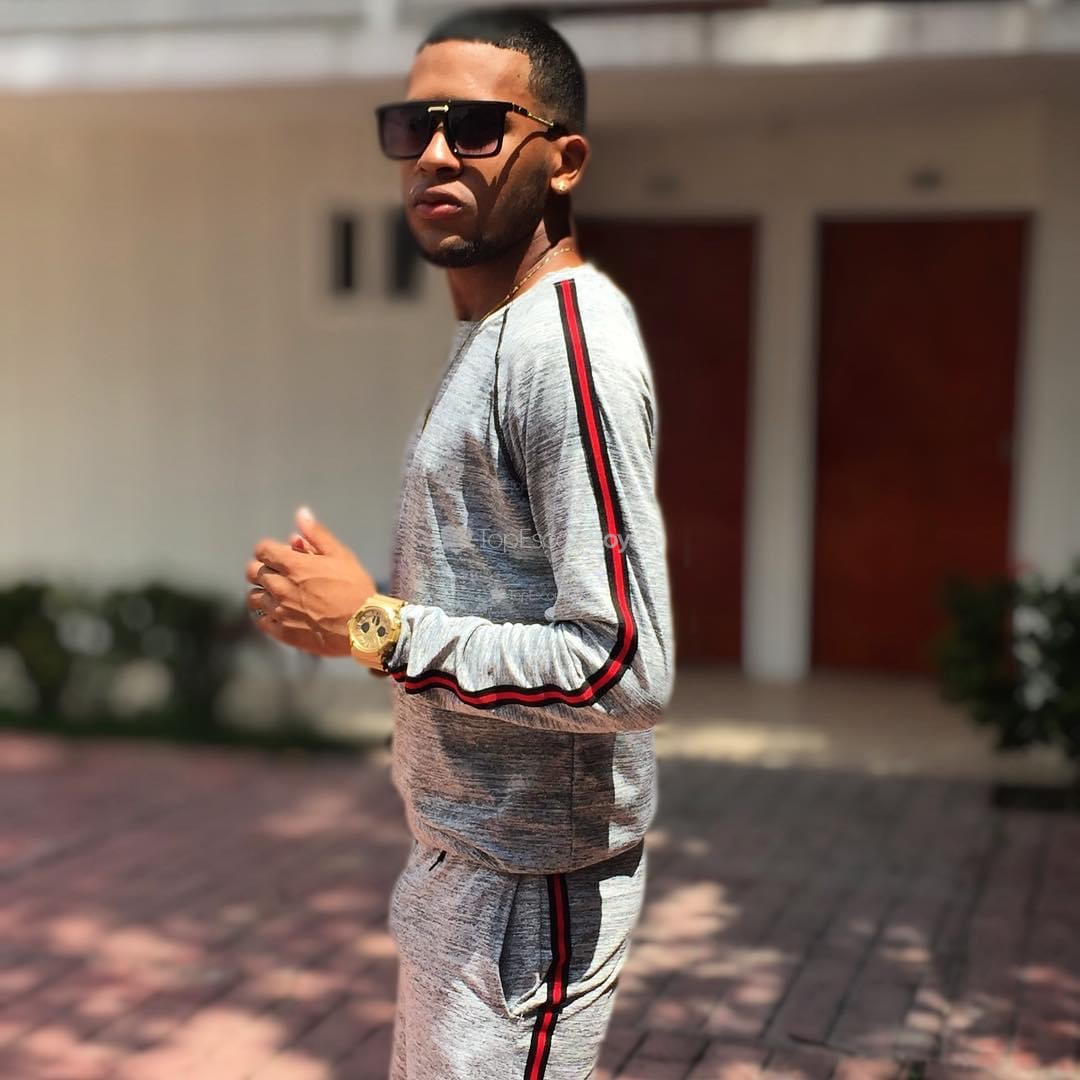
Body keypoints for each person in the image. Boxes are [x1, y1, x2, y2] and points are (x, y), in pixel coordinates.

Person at [245, 7, 675, 1077]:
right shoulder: (497, 334)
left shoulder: (562, 349)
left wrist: (375, 628)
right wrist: (359, 621)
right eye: (413, 126)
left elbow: (622, 665)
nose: (436, 153)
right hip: (468, 869)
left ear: (564, 160)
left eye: (478, 126)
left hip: (530, 896)